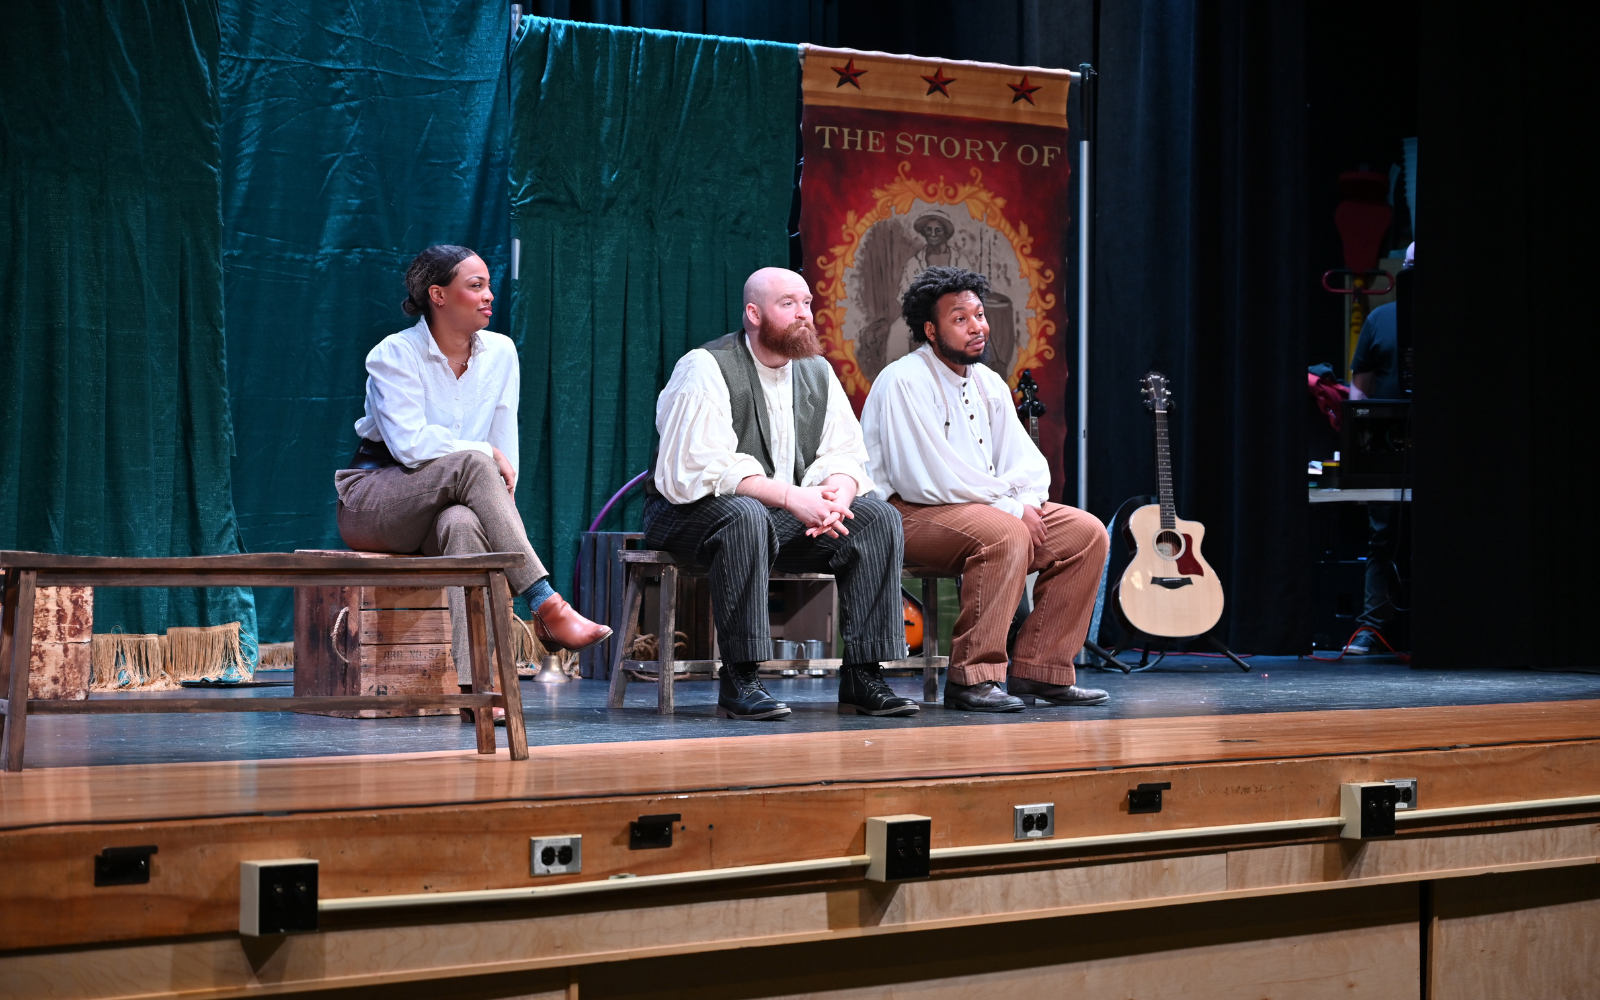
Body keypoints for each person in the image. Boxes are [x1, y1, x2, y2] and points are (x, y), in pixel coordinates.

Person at [335, 245, 610, 707]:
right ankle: (546, 604)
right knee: (477, 461)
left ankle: (478, 687)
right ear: (437, 294)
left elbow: (506, 443)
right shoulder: (394, 354)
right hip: (377, 499)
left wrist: (495, 511)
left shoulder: (501, 352)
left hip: (452, 501)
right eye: (475, 285)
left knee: (464, 525)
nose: (489, 295)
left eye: (488, 284)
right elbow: (410, 446)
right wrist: (484, 455)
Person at [645, 267, 916, 720]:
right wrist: (793, 498)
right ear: (754, 313)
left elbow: (847, 454)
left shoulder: (817, 372)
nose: (803, 314)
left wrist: (837, 499)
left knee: (876, 518)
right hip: (687, 514)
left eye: (807, 303)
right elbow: (697, 467)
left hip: (775, 518)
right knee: (744, 515)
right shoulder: (706, 366)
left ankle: (865, 674)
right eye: (787, 304)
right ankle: (741, 677)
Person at [860, 266, 1110, 712]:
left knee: (1086, 533)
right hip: (907, 513)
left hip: (984, 510)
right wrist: (1013, 510)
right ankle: (972, 677)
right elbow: (931, 478)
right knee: (1005, 532)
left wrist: (1027, 502)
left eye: (979, 314)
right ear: (931, 331)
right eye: (961, 319)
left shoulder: (987, 382)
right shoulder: (904, 381)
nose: (977, 326)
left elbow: (1025, 463)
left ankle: (1041, 669)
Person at [1343, 242, 1413, 655]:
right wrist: (1358, 446)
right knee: (1381, 537)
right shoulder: (1380, 319)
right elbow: (1359, 389)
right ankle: (1374, 626)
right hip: (1388, 447)